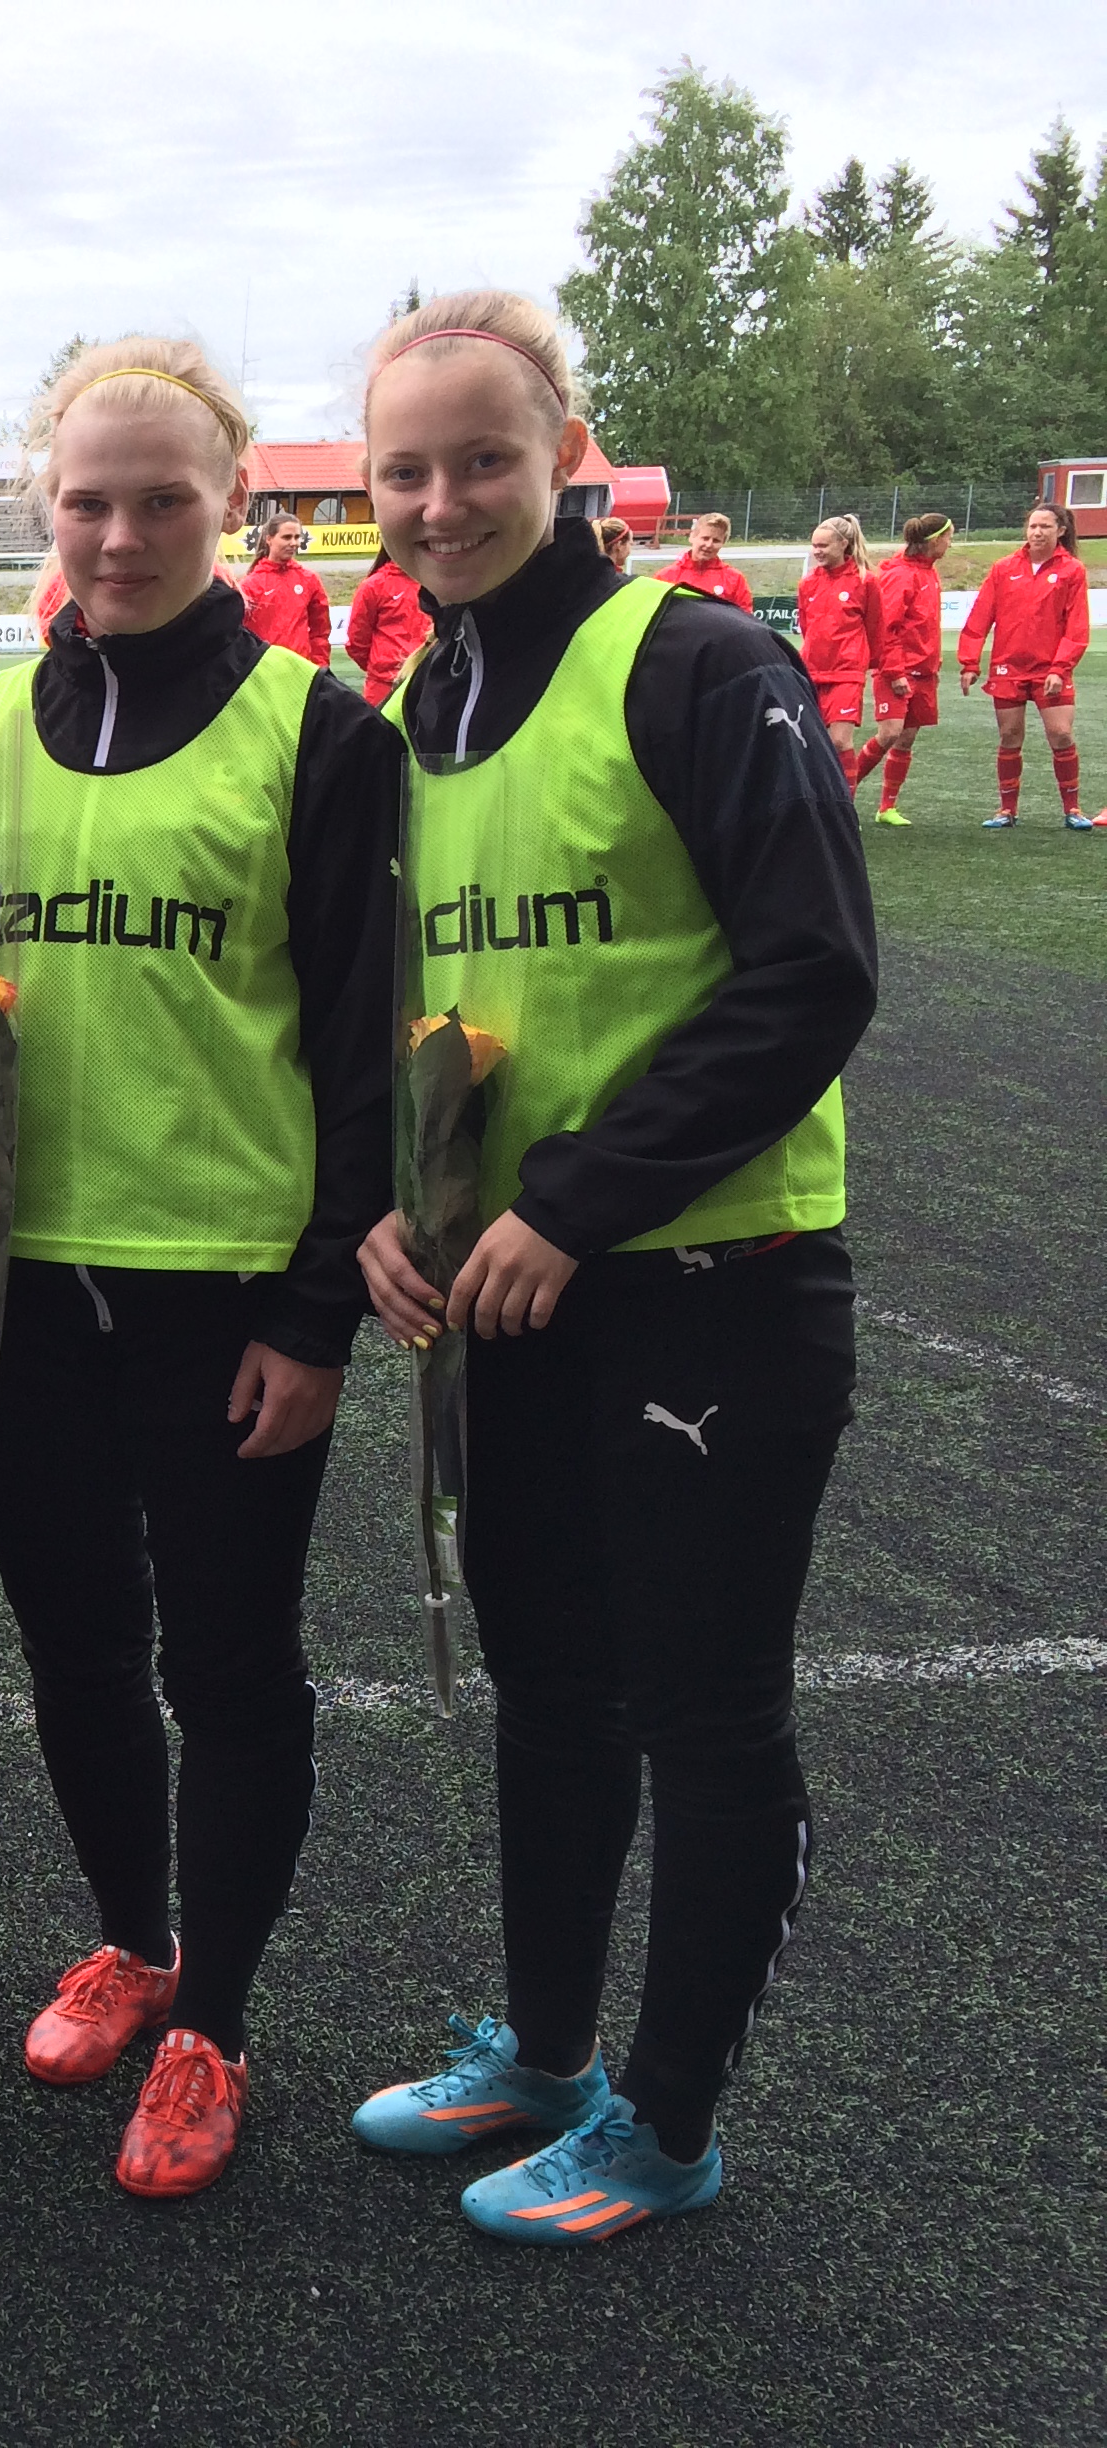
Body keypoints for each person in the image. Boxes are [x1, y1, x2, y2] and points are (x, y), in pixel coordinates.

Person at [348, 291, 874, 2248]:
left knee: (700, 1709)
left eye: (482, 459)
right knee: (550, 1687)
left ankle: (664, 2122)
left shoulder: (695, 659)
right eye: (405, 470)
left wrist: (571, 1198)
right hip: (513, 1296)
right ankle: (551, 2055)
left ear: (565, 455)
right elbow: (432, 1008)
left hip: (704, 1282)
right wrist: (401, 1205)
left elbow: (811, 973)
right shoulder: (424, 705)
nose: (442, 501)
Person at [0, 338, 397, 2201]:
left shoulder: (318, 732)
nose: (116, 536)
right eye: (86, 502)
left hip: (226, 1295)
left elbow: (363, 1050)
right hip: (18, 1288)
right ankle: (134, 1939)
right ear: (47, 505)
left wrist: (317, 1313)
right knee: (75, 1644)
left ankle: (215, 2027)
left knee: (234, 1666)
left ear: (233, 505)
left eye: (159, 501)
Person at [959, 499, 1089, 829]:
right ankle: (1007, 810)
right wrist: (969, 662)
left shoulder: (1072, 570)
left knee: (1061, 734)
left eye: (1045, 526)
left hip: (1050, 669)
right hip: (1008, 667)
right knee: (1009, 736)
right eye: (1033, 526)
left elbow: (1076, 626)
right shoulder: (1004, 568)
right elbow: (980, 617)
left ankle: (1073, 809)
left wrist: (1060, 668)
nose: (1037, 532)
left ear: (1061, 531)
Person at [860, 513, 953, 825]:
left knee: (905, 738)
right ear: (934, 540)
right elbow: (887, 628)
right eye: (948, 537)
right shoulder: (900, 575)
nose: (950, 544)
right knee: (889, 733)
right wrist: (895, 671)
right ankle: (842, 793)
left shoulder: (929, 572)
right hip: (899, 671)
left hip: (923, 671)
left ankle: (887, 807)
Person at [796, 516, 882, 779]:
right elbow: (807, 626)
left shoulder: (865, 581)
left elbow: (875, 628)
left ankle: (845, 804)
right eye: (815, 545)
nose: (817, 551)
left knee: (839, 742)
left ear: (843, 544)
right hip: (812, 672)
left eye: (823, 545)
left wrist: (860, 661)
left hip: (847, 672)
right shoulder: (807, 583)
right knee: (811, 743)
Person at [238, 515, 331, 665]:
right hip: (264, 669)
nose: (293, 543)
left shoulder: (309, 579)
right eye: (287, 537)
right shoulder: (250, 585)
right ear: (269, 539)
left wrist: (319, 665)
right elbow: (239, 636)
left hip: (301, 670)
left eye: (297, 537)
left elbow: (320, 630)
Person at [343, 544, 429, 708]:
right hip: (383, 686)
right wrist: (381, 667)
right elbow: (357, 641)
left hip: (426, 683)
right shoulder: (374, 586)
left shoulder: (434, 583)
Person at [655, 512, 755, 615]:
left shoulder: (735, 579)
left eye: (716, 541)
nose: (709, 545)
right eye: (705, 538)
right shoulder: (665, 577)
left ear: (723, 543)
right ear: (692, 537)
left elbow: (745, 619)